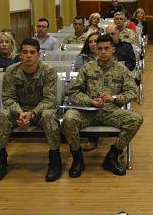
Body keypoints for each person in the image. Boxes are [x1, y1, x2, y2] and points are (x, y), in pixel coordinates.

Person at [61, 35, 143, 177]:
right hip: (88, 112)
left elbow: (133, 92)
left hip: (110, 112)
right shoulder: (87, 68)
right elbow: (73, 93)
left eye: (106, 48)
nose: (103, 52)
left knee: (136, 119)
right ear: (96, 51)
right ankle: (77, 159)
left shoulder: (121, 69)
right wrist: (89, 101)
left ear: (113, 50)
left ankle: (112, 157)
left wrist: (115, 98)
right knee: (68, 118)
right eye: (100, 49)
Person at [0, 38, 61, 182]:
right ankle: (0, 159)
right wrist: (21, 113)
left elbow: (50, 99)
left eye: (32, 52)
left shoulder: (49, 71)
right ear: (20, 55)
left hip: (39, 112)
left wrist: (32, 113)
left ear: (38, 55)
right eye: (25, 52)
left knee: (49, 115)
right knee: (2, 115)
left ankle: (55, 159)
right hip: (19, 112)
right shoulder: (11, 71)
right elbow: (8, 99)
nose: (28, 55)